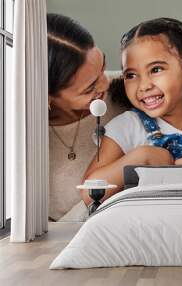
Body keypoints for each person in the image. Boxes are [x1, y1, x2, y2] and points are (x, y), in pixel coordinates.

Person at [81, 18, 182, 206]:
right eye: (131, 75)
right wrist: (141, 157)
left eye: (156, 69)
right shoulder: (127, 126)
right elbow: (88, 194)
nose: (144, 85)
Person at [47, 13, 124, 221]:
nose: (105, 84)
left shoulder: (129, 92)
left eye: (103, 67)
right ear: (46, 97)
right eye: (90, 88)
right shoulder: (18, 140)